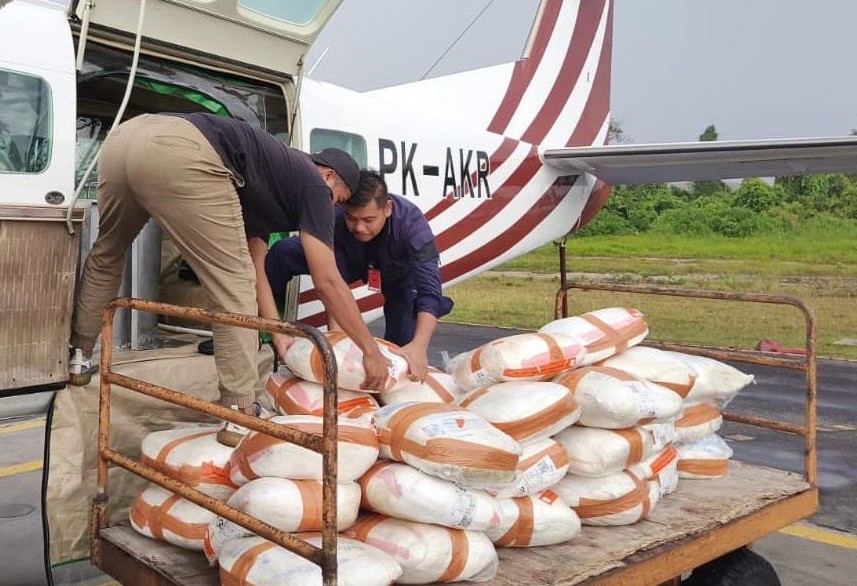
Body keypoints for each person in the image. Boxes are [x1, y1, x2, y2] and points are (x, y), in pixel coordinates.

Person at [68, 113, 391, 437]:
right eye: (338, 199)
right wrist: (370, 352)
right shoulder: (313, 184)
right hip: (178, 149)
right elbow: (328, 281)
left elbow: (255, 267)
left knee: (108, 252)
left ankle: (79, 357)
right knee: (232, 286)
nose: (332, 208)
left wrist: (277, 335)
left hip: (123, 140)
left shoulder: (272, 176)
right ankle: (240, 411)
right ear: (330, 176)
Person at [266, 170, 453, 382]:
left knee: (402, 348)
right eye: (352, 218)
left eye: (369, 219)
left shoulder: (413, 227)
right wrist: (336, 346)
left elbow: (429, 292)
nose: (359, 227)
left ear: (388, 209)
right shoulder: (336, 215)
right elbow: (331, 282)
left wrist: (419, 347)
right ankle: (265, 328)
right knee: (281, 252)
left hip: (397, 276)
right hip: (347, 260)